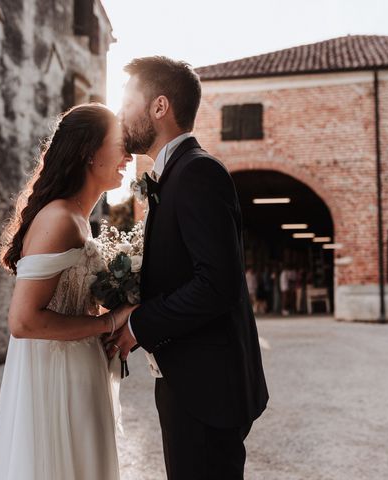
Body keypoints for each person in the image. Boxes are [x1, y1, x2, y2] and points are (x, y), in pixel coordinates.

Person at [109, 56, 269, 480]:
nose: (121, 113)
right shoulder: (174, 175)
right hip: (189, 380)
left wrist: (138, 326)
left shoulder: (198, 172)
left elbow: (218, 284)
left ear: (159, 107)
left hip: (209, 389)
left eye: (128, 103)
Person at [0, 104, 136, 480]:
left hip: (82, 369)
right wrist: (110, 321)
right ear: (89, 152)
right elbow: (23, 321)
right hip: (57, 377)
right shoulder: (59, 219)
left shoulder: (79, 219)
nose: (129, 156)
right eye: (119, 145)